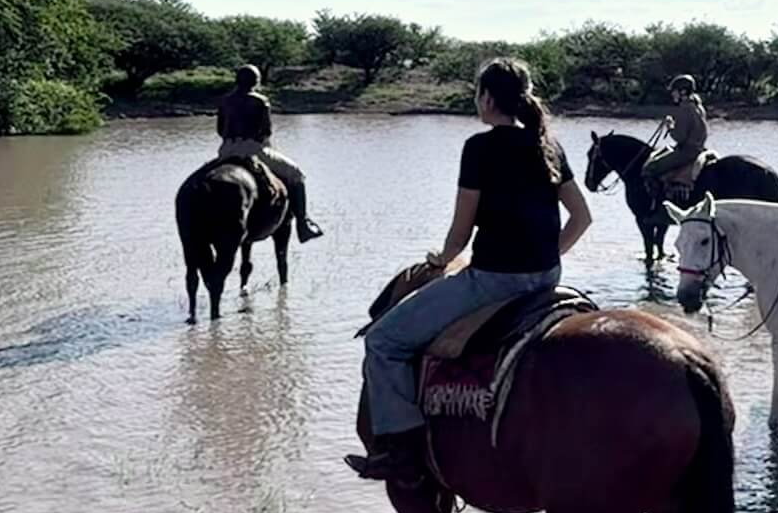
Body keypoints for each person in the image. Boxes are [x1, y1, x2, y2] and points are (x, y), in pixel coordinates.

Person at [347, 56, 592, 485]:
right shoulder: (549, 145)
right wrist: (547, 259)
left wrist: (440, 260)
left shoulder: (479, 147)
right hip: (548, 280)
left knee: (384, 340)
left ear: (486, 97)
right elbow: (582, 218)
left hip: (492, 282)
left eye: (477, 93)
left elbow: (460, 235)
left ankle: (402, 448)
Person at [216, 63, 323, 241]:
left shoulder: (225, 100)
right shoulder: (260, 101)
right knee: (297, 174)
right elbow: (266, 131)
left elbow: (220, 130)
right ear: (256, 82)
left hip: (226, 150)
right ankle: (303, 225)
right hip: (254, 149)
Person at [645, 74, 709, 200]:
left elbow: (680, 137)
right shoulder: (698, 107)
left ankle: (657, 203)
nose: (672, 95)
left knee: (650, 168)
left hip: (687, 151)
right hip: (699, 149)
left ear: (683, 92)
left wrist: (670, 126)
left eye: (674, 92)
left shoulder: (685, 109)